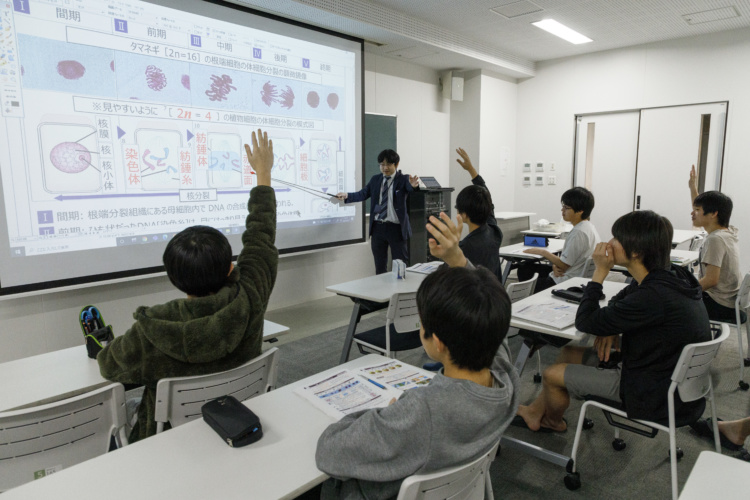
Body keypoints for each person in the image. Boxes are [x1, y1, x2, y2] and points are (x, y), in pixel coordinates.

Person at [97, 129, 278, 443]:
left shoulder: (153, 327)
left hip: (169, 442)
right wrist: (263, 173)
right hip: (241, 420)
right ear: (231, 269)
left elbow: (110, 367)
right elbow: (261, 234)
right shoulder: (251, 294)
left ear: (174, 279)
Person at [315, 266, 519, 499]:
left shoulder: (423, 411)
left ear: (438, 343)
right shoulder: (506, 376)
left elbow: (329, 451)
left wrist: (385, 414)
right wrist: (457, 259)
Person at [515, 210, 710, 432]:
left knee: (551, 375)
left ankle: (552, 422)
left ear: (635, 252)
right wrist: (611, 327)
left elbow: (586, 321)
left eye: (616, 239)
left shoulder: (652, 295)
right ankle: (534, 412)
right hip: (662, 371)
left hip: (650, 389)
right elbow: (621, 298)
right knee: (572, 351)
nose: (609, 243)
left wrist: (599, 273)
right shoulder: (668, 275)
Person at [336, 149, 419, 274]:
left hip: (396, 228)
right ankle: (382, 292)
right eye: (382, 164)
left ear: (396, 164)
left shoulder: (403, 179)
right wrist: (347, 195)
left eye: (388, 164)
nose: (385, 168)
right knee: (379, 265)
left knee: (400, 264)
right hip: (378, 228)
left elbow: (410, 188)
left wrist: (413, 186)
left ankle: (401, 291)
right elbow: (363, 194)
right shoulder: (375, 179)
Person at [517, 187, 600, 293]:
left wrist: (543, 252)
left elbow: (564, 265)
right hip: (576, 274)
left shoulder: (578, 232)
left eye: (566, 207)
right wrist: (555, 265)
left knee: (524, 270)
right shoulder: (588, 227)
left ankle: (528, 297)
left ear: (580, 211)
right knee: (527, 267)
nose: (562, 210)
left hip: (565, 282)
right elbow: (567, 262)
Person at [689, 165, 744, 323]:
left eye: (697, 210)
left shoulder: (715, 239)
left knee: (670, 303)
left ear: (713, 214)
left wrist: (685, 292)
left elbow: (711, 280)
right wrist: (692, 187)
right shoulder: (728, 232)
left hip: (718, 303)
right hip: (729, 300)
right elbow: (701, 211)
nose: (693, 213)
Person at [453, 147, 503, 276]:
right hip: (495, 293)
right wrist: (471, 169)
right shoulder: (495, 232)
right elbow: (487, 199)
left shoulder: (465, 247)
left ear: (464, 215)